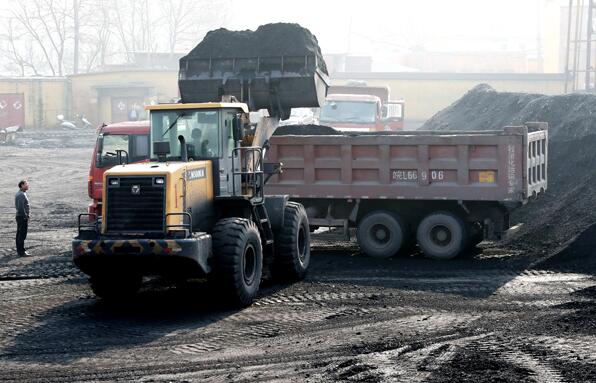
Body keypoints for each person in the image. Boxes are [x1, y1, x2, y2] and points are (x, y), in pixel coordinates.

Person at [15, 180, 30, 256]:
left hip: (20, 216)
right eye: (26, 184)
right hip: (21, 217)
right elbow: (21, 208)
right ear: (22, 185)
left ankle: (19, 250)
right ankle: (21, 252)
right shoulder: (21, 195)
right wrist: (25, 216)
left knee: (19, 234)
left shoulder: (21, 193)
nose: (28, 185)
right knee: (22, 235)